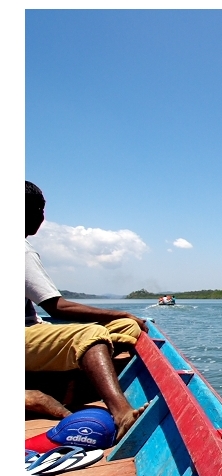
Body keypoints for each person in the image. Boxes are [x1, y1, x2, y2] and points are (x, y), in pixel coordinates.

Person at [25, 181, 148, 441]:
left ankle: (80, 375)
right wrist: (120, 313)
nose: (43, 217)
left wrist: (122, 319)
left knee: (126, 328)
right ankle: (122, 413)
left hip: (31, 331)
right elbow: (56, 306)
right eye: (39, 208)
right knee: (90, 334)